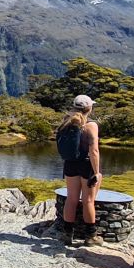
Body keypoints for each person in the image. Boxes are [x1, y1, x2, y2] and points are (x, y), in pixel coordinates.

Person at [58, 95, 102, 246]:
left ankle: (67, 234)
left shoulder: (66, 121)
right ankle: (91, 236)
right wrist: (96, 172)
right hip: (85, 165)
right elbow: (94, 151)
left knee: (71, 199)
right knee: (88, 200)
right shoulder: (91, 125)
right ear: (89, 108)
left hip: (70, 164)